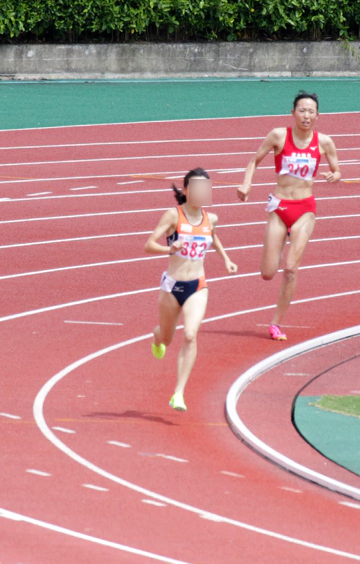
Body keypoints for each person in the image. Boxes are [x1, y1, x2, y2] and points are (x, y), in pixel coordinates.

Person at [237, 90, 340, 341]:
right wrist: (246, 184)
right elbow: (254, 160)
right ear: (293, 113)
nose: (306, 115)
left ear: (318, 115)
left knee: (291, 269)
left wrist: (334, 176)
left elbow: (337, 170)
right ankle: (279, 243)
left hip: (305, 209)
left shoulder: (325, 142)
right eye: (302, 110)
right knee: (268, 272)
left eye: (311, 111)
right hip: (280, 207)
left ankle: (276, 324)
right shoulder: (278, 135)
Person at [144, 168, 237, 411]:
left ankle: (179, 393)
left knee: (190, 335)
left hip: (197, 285)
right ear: (186, 190)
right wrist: (170, 249)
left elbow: (212, 236)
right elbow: (149, 245)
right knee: (167, 336)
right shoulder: (173, 216)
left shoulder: (211, 218)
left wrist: (226, 258)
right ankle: (157, 338)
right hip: (172, 286)